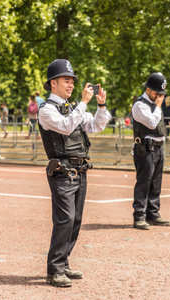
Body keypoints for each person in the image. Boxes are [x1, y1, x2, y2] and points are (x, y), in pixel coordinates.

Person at [39, 59, 111, 287]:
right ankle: (55, 269)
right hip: (62, 171)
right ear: (53, 83)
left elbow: (96, 126)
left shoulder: (73, 108)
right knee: (65, 219)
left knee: (75, 220)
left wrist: (100, 106)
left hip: (79, 170)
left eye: (72, 81)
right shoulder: (47, 110)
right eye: (66, 81)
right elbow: (66, 126)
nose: (70, 85)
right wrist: (82, 102)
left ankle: (64, 262)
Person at [131, 72, 170, 230]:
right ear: (148, 89)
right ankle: (139, 216)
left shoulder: (155, 105)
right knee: (144, 182)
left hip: (158, 147)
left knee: (156, 183)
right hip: (145, 148)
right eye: (157, 93)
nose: (159, 96)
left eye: (161, 93)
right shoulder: (140, 105)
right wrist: (159, 107)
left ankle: (153, 213)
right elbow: (152, 123)